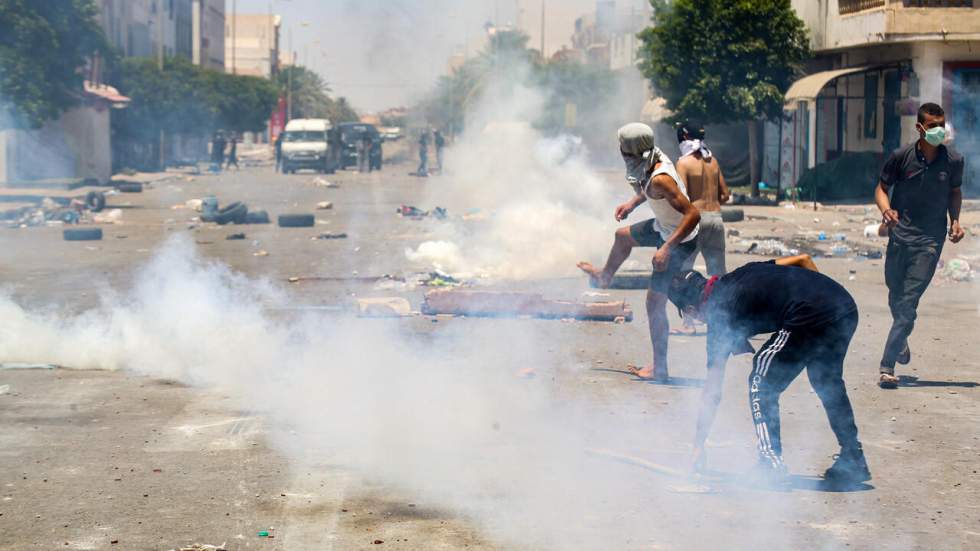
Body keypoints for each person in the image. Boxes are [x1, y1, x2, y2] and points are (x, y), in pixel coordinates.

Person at [667, 255, 871, 486]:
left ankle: (770, 464)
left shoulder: (719, 316)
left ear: (692, 309)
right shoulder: (742, 272)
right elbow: (802, 260)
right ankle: (853, 457)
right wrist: (817, 294)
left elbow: (712, 390)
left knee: (761, 384)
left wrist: (697, 445)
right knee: (826, 380)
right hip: (842, 305)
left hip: (809, 313)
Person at [577, 123, 701, 381]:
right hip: (663, 227)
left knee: (654, 304)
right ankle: (604, 277)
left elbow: (693, 214)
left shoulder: (661, 178)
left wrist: (666, 249)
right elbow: (648, 188)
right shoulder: (650, 157)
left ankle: (660, 368)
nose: (620, 152)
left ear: (630, 152)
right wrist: (632, 204)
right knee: (622, 237)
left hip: (680, 238)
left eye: (622, 148)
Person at [875, 102, 966, 389]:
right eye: (932, 126)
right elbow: (881, 188)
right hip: (900, 236)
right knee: (895, 292)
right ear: (919, 128)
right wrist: (886, 211)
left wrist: (955, 221)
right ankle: (900, 341)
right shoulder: (901, 157)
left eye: (942, 124)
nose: (939, 131)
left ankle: (887, 365)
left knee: (908, 303)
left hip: (930, 240)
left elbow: (955, 191)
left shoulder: (953, 160)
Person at [674, 121, 731, 334]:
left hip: (694, 221)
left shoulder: (684, 163)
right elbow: (725, 195)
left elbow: (679, 196)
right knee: (719, 275)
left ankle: (688, 323)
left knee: (684, 273)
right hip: (716, 219)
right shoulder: (712, 161)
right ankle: (726, 321)